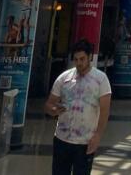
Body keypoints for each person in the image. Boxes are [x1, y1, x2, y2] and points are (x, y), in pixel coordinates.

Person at [45, 39, 112, 175]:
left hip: (85, 142)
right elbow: (49, 104)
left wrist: (97, 136)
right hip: (62, 140)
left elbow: (105, 111)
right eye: (76, 59)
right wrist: (53, 110)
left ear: (90, 58)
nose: (79, 63)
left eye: (82, 59)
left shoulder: (101, 80)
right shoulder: (64, 78)